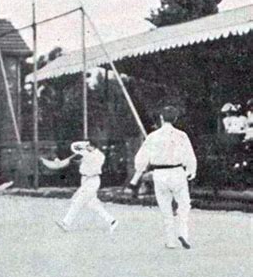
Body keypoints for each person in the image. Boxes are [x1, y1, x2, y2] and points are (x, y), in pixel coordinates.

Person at [131, 106, 197, 249]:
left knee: (165, 207)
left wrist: (139, 170)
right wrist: (191, 170)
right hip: (177, 171)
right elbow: (189, 155)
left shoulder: (153, 136)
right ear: (176, 118)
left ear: (161, 118)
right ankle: (183, 233)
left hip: (160, 173)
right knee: (184, 204)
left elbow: (141, 158)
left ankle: (170, 241)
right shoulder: (181, 135)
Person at [55, 140, 118, 233]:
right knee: (93, 204)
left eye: (88, 145)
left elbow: (80, 153)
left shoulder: (98, 155)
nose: (87, 147)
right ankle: (112, 221)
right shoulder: (87, 153)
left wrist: (79, 151)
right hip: (85, 180)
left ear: (93, 146)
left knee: (78, 201)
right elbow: (77, 157)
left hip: (93, 181)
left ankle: (66, 223)